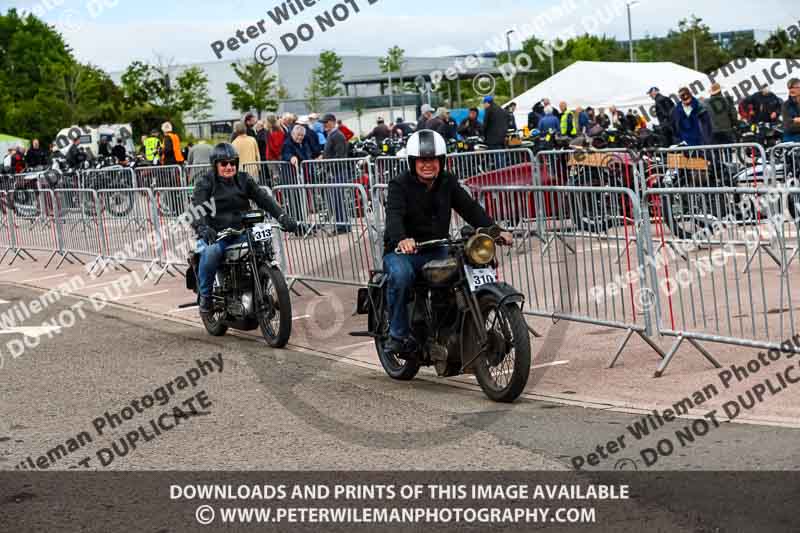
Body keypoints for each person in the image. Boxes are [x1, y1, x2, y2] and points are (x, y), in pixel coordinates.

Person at [381, 129, 513, 357]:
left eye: (432, 160)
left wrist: (495, 230)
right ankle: (397, 335)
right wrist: (402, 239)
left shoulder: (447, 181)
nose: (427, 165)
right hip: (403, 252)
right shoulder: (399, 184)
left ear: (441, 161)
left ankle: (448, 330)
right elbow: (393, 216)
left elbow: (469, 208)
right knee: (401, 277)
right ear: (413, 162)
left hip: (437, 248)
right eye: (422, 160)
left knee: (464, 270)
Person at [191, 143, 297, 315]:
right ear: (215, 165)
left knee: (262, 249)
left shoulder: (243, 179)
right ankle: (206, 297)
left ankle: (261, 285)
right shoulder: (206, 182)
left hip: (243, 230)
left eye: (232, 163)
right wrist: (203, 227)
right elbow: (197, 207)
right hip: (216, 233)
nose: (229, 167)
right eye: (224, 164)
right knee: (210, 253)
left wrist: (283, 217)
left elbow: (264, 199)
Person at [321, 113, 351, 234]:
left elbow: (339, 156)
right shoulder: (333, 134)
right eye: (323, 122)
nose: (324, 125)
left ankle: (342, 226)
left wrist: (329, 168)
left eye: (326, 122)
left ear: (333, 122)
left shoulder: (337, 135)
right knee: (336, 199)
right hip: (335, 171)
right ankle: (342, 225)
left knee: (338, 199)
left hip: (337, 172)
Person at [782, 78, 800, 143]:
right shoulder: (786, 105)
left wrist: (796, 120)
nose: (791, 90)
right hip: (790, 139)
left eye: (794, 87)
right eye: (789, 88)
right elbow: (788, 126)